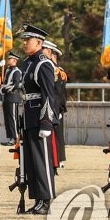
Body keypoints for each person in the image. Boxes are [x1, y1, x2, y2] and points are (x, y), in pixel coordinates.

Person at [16, 25, 58, 215]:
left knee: (42, 160)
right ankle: (38, 199)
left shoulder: (44, 63)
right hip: (29, 117)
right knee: (32, 161)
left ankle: (46, 199)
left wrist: (46, 122)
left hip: (40, 118)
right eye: (24, 40)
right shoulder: (28, 63)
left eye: (28, 40)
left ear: (39, 43)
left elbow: (49, 95)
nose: (25, 43)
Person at [43, 41, 67, 169]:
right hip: (50, 105)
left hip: (55, 106)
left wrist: (60, 108)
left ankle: (58, 159)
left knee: (57, 134)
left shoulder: (56, 70)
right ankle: (55, 159)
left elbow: (59, 92)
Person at [0, 52, 22, 146]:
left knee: (13, 118)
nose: (8, 60)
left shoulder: (17, 71)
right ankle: (10, 138)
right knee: (7, 119)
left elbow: (16, 85)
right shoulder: (8, 70)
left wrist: (4, 88)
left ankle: (15, 138)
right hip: (6, 98)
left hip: (12, 97)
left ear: (15, 61)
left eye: (10, 59)